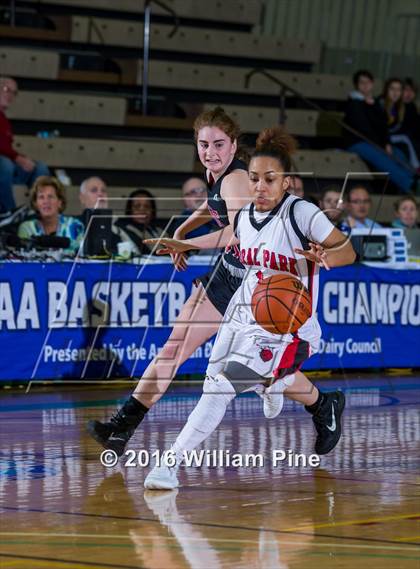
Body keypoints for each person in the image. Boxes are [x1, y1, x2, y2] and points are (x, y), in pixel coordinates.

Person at [143, 126, 356, 489]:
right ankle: (277, 385)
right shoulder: (245, 216)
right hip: (247, 312)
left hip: (288, 325)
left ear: (286, 183)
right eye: (255, 178)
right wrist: (186, 244)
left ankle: (169, 465)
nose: (259, 186)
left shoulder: (302, 214)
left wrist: (327, 257)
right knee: (217, 378)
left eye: (269, 179)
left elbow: (348, 250)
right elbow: (229, 239)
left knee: (220, 389)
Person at [87, 107, 255, 455]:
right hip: (227, 275)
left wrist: (187, 242)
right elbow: (213, 207)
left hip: (254, 282)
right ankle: (121, 428)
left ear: (234, 146)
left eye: (218, 144)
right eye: (203, 144)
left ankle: (321, 404)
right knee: (173, 348)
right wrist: (182, 228)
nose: (210, 152)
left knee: (270, 377)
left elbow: (241, 234)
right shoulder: (218, 177)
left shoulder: (236, 179)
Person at [343, 70, 415, 193]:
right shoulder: (354, 102)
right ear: (356, 85)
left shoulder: (374, 102)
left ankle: (413, 179)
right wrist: (382, 144)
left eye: (368, 82)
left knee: (398, 153)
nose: (365, 85)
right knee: (383, 159)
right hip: (357, 142)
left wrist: (385, 142)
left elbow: (382, 125)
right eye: (362, 82)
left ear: (372, 84)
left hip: (373, 141)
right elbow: (363, 128)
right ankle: (410, 186)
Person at [0, 76, 50, 213]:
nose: (10, 95)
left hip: (7, 164)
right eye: (6, 89)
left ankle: (41, 213)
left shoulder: (4, 119)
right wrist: (18, 158)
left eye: (14, 92)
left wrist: (22, 159)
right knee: (5, 164)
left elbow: (6, 148)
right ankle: (9, 212)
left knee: (39, 168)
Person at [17, 175, 84, 252]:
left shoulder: (74, 226)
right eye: (41, 197)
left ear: (60, 202)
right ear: (36, 203)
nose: (46, 201)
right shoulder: (27, 228)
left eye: (50, 197)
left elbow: (82, 255)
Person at [379, 78, 419, 170]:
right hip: (389, 138)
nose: (409, 94)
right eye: (406, 90)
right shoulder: (387, 104)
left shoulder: (411, 107)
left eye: (412, 91)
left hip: (403, 138)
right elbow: (388, 126)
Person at [113, 188, 166, 256]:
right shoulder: (119, 230)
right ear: (130, 210)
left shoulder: (159, 231)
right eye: (137, 206)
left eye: (147, 206)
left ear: (152, 211)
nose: (142, 210)